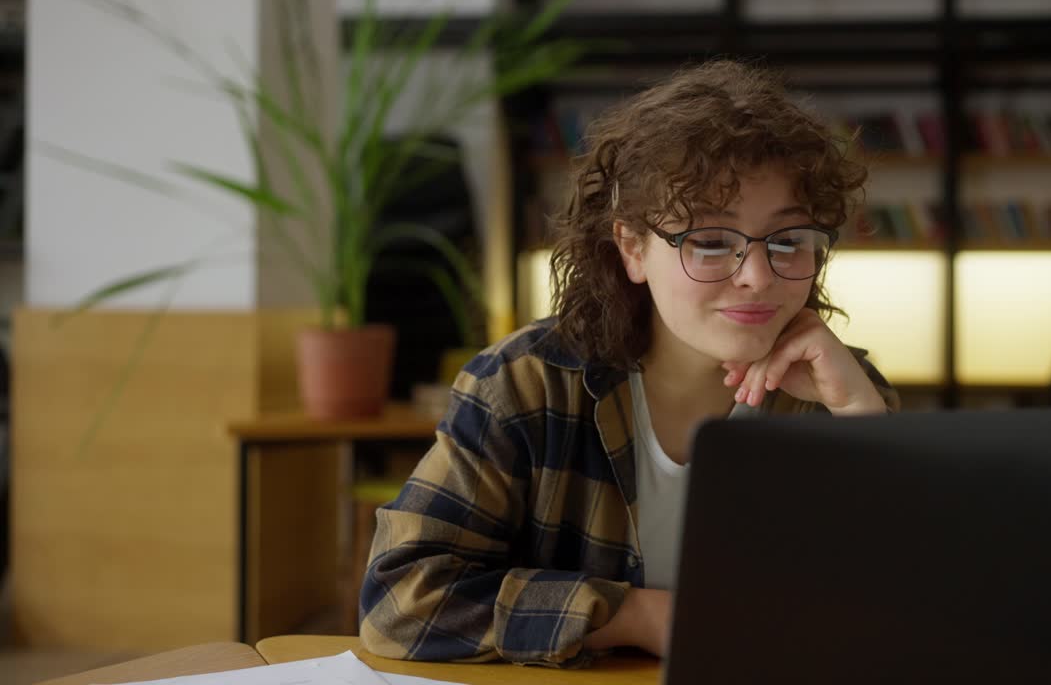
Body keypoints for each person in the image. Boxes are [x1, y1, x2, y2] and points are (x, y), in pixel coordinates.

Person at [359, 60, 899, 667]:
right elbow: (400, 599)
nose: (756, 276)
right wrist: (641, 616)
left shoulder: (839, 391)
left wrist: (862, 421)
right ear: (632, 248)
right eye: (711, 241)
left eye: (787, 240)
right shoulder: (525, 384)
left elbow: (923, 613)